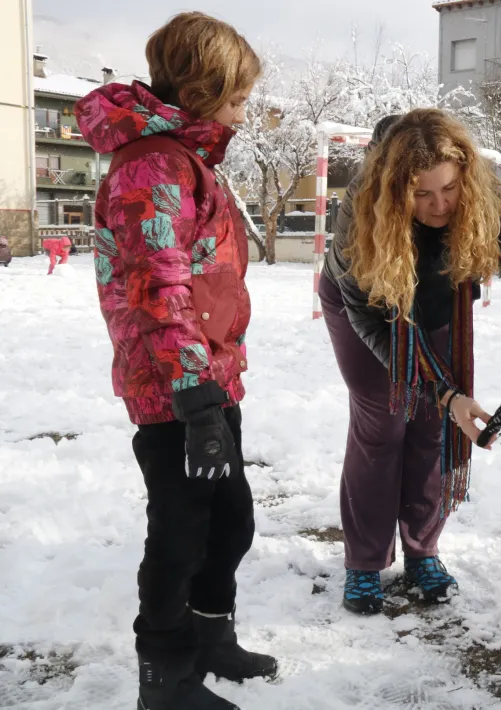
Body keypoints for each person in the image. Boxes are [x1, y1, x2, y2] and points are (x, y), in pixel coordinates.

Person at [76, 12, 274, 710]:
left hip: (207, 380)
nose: (245, 114)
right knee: (182, 531)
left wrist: (213, 388)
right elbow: (159, 288)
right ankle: (165, 676)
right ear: (204, 87)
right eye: (240, 98)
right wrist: (194, 402)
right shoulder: (152, 164)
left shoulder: (185, 158)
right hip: (172, 391)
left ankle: (211, 635)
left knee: (231, 520)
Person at [321, 108, 501, 615]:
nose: (439, 205)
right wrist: (443, 389)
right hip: (366, 305)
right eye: (422, 194)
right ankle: (365, 563)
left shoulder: (489, 193)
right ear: (395, 189)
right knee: (383, 421)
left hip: (438, 296)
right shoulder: (362, 207)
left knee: (432, 424)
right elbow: (367, 316)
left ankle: (422, 549)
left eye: (449, 189)